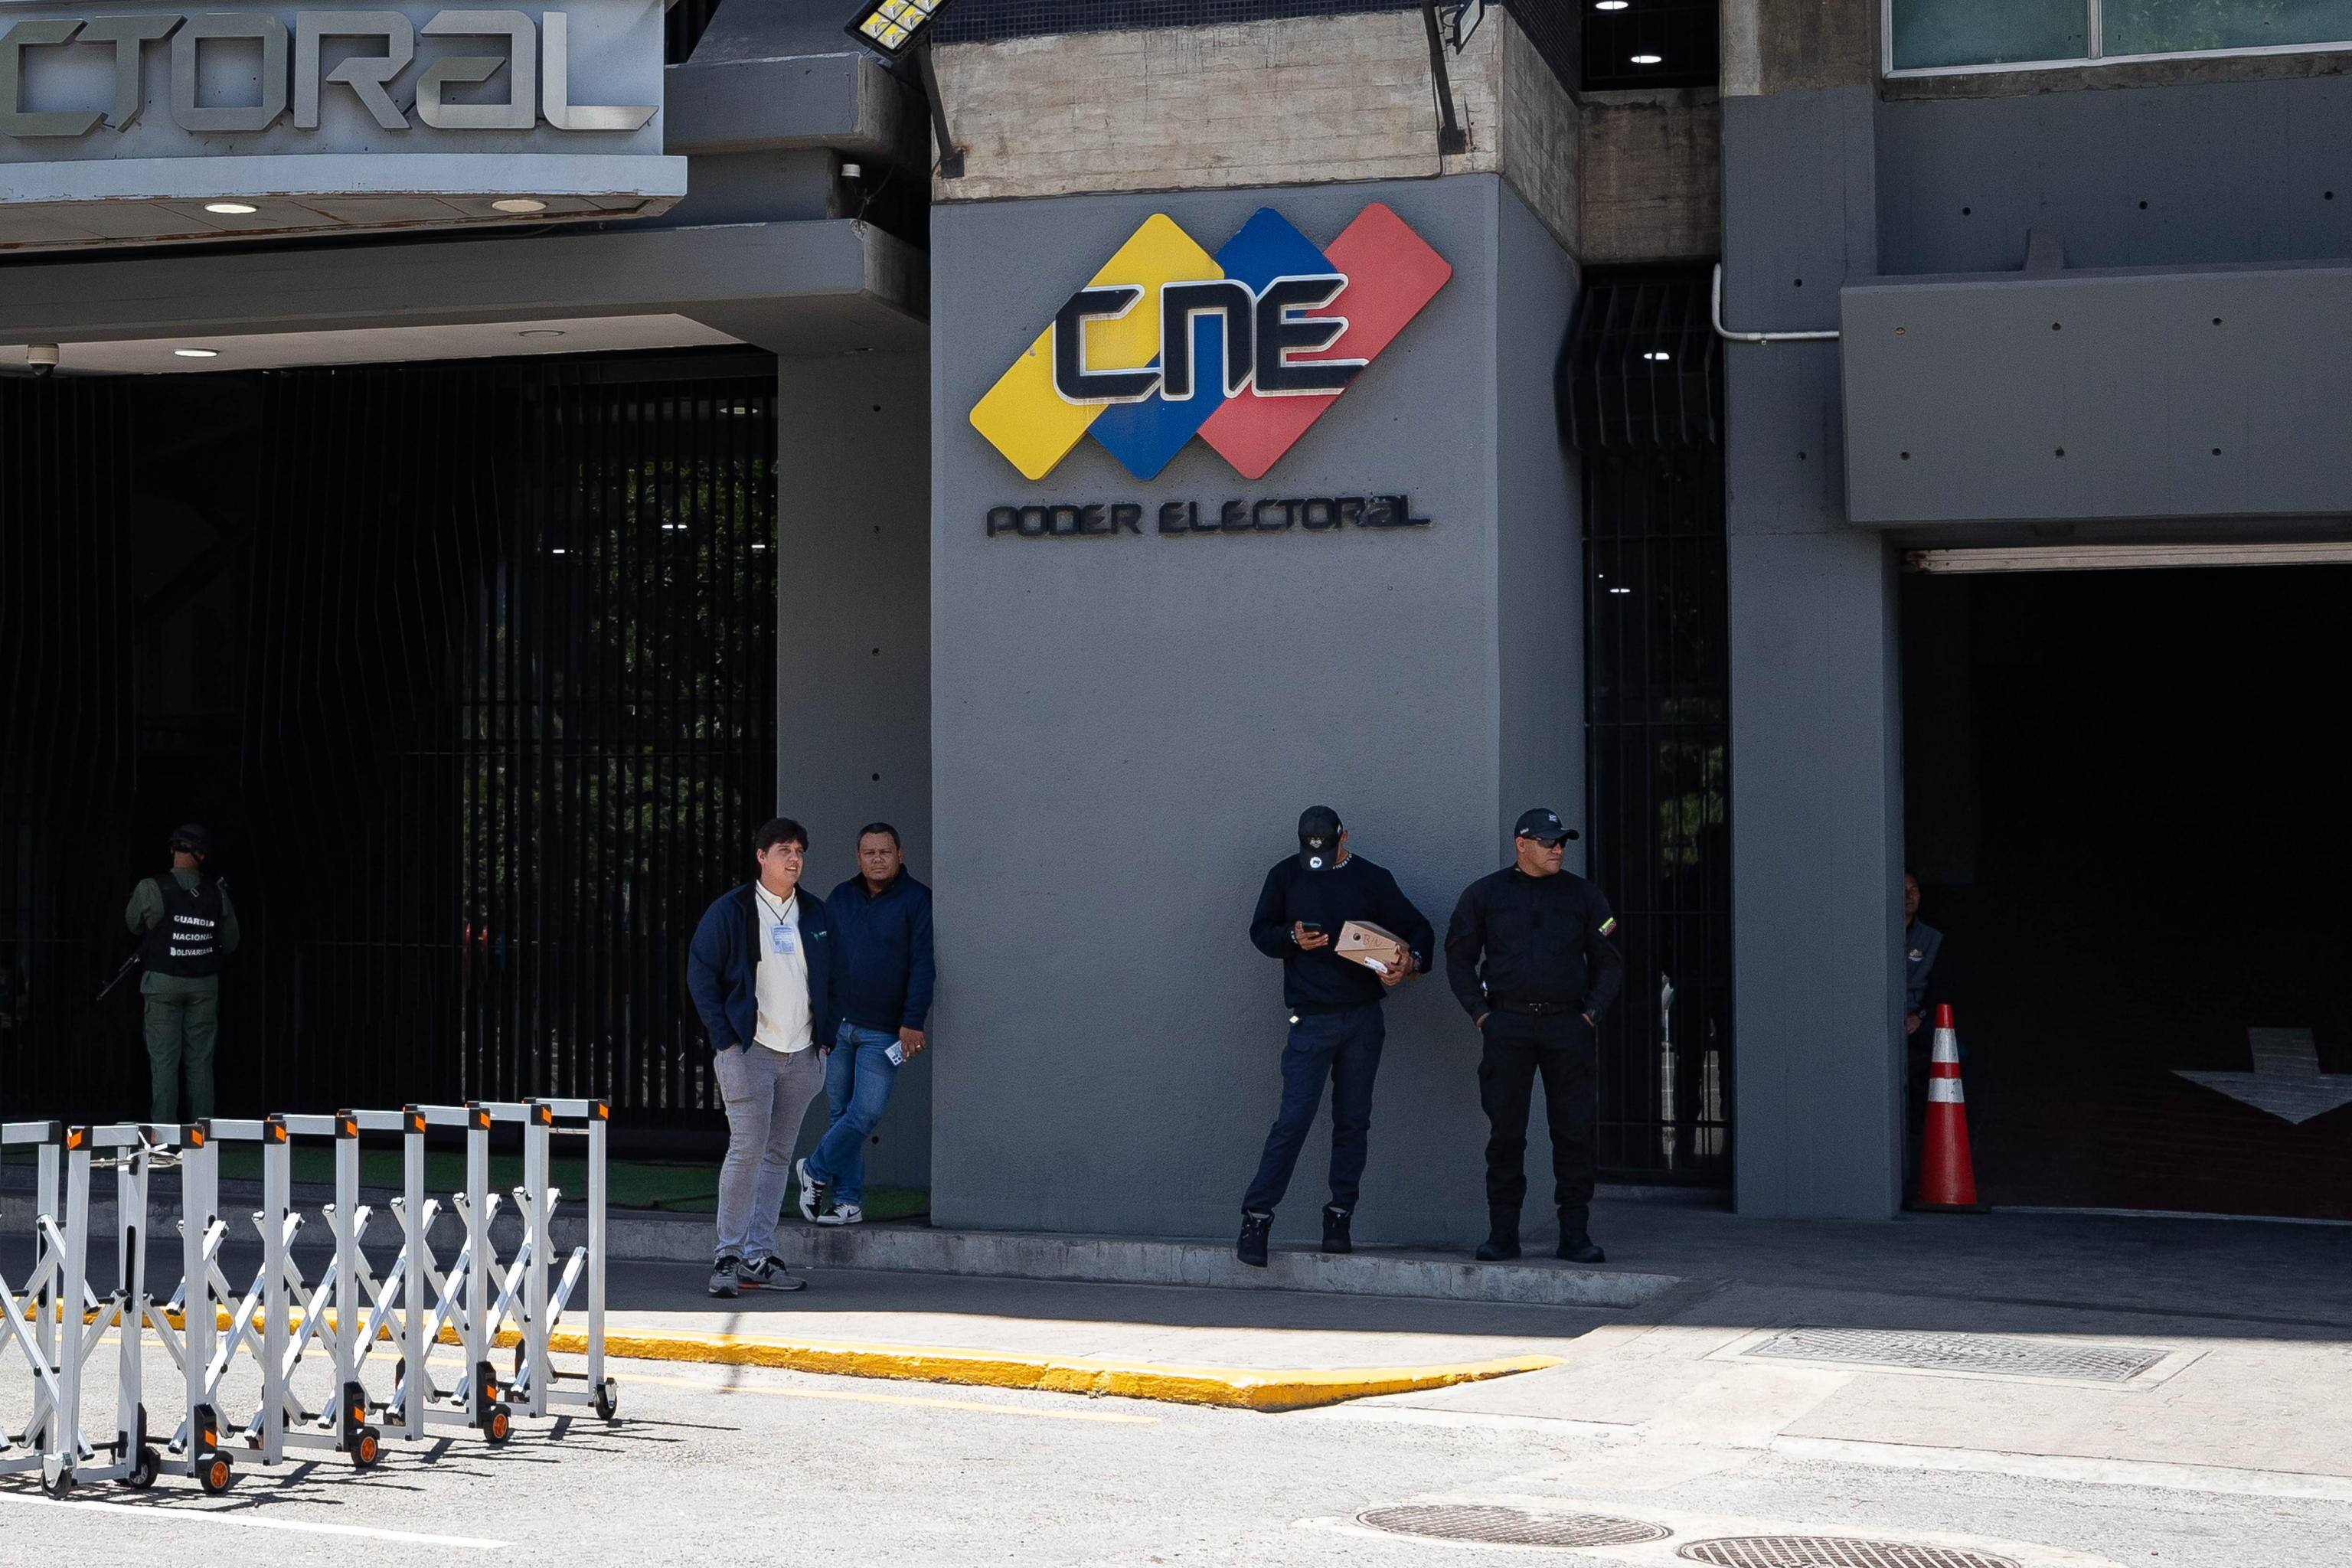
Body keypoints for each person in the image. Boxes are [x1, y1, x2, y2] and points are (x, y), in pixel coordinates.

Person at [1236, 806, 1433, 1267]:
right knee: (1293, 1121)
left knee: (1353, 1121)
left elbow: (1419, 928)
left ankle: (1340, 1217)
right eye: (1310, 853)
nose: (1317, 861)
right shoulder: (1285, 875)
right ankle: (1257, 1219)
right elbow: (1260, 932)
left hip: (1363, 1019)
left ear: (1345, 836)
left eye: (1326, 850)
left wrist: (1411, 963)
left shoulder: (1372, 879)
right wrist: (1291, 938)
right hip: (1310, 1020)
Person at [1443, 808, 1622, 1264]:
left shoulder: (1584, 896)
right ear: (1521, 845)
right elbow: (1458, 958)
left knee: (1574, 1132)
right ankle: (1503, 1235)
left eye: (1561, 841)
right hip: (1508, 1026)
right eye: (1547, 842)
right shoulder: (1486, 895)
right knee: (1506, 1134)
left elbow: (1609, 961)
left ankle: (1575, 1236)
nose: (1557, 849)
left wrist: (1592, 1013)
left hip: (1568, 1026)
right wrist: (1481, 1014)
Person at [686, 817, 839, 1298]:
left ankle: (759, 1254)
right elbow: (701, 973)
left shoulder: (814, 912)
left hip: (803, 1053)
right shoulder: (732, 909)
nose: (794, 859)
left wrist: (827, 1038)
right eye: (783, 850)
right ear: (761, 856)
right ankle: (728, 1255)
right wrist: (725, 1039)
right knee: (747, 1149)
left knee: (777, 1155)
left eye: (799, 851)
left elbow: (837, 975)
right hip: (749, 1050)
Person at [800, 823, 935, 1227]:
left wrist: (913, 1021)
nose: (877, 859)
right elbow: (820, 957)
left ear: (900, 855)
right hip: (837, 1026)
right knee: (840, 1113)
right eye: (869, 853)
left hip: (884, 1031)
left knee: (865, 1113)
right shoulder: (841, 897)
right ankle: (848, 1202)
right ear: (858, 857)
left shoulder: (918, 900)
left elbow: (923, 963)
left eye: (885, 852)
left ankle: (814, 1169)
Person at [126, 823, 239, 1124]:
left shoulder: (151, 888)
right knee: (200, 1062)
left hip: (163, 984)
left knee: (164, 1063)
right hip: (203, 986)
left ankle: (163, 1135)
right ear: (202, 854)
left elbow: (133, 924)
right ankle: (202, 1136)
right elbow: (231, 942)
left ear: (172, 849)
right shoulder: (216, 893)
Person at [1903, 871, 1942, 1040]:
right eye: (1903, 890)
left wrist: (1920, 1015)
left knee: (1958, 1051)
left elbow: (1940, 986)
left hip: (1917, 1016)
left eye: (1914, 890)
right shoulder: (1879, 935)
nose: (1909, 896)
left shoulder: (1931, 938)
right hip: (1883, 1017)